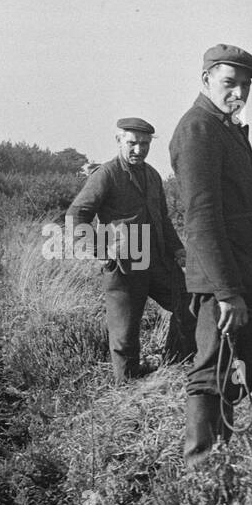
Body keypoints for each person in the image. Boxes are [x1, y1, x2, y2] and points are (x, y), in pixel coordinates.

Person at [169, 43, 252, 462]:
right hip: (223, 282)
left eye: (245, 86)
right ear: (206, 79)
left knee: (241, 371)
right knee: (211, 373)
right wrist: (227, 293)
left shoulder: (226, 128)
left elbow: (238, 213)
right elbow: (203, 220)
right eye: (230, 83)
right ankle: (200, 469)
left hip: (245, 272)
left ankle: (222, 458)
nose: (239, 94)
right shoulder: (198, 130)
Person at [66, 117, 195, 381]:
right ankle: (126, 388)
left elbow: (164, 219)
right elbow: (76, 215)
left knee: (190, 301)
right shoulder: (106, 174)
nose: (139, 149)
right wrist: (102, 250)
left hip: (158, 262)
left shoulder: (152, 176)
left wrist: (177, 250)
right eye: (132, 143)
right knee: (124, 336)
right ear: (118, 141)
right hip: (125, 266)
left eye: (145, 144)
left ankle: (173, 362)